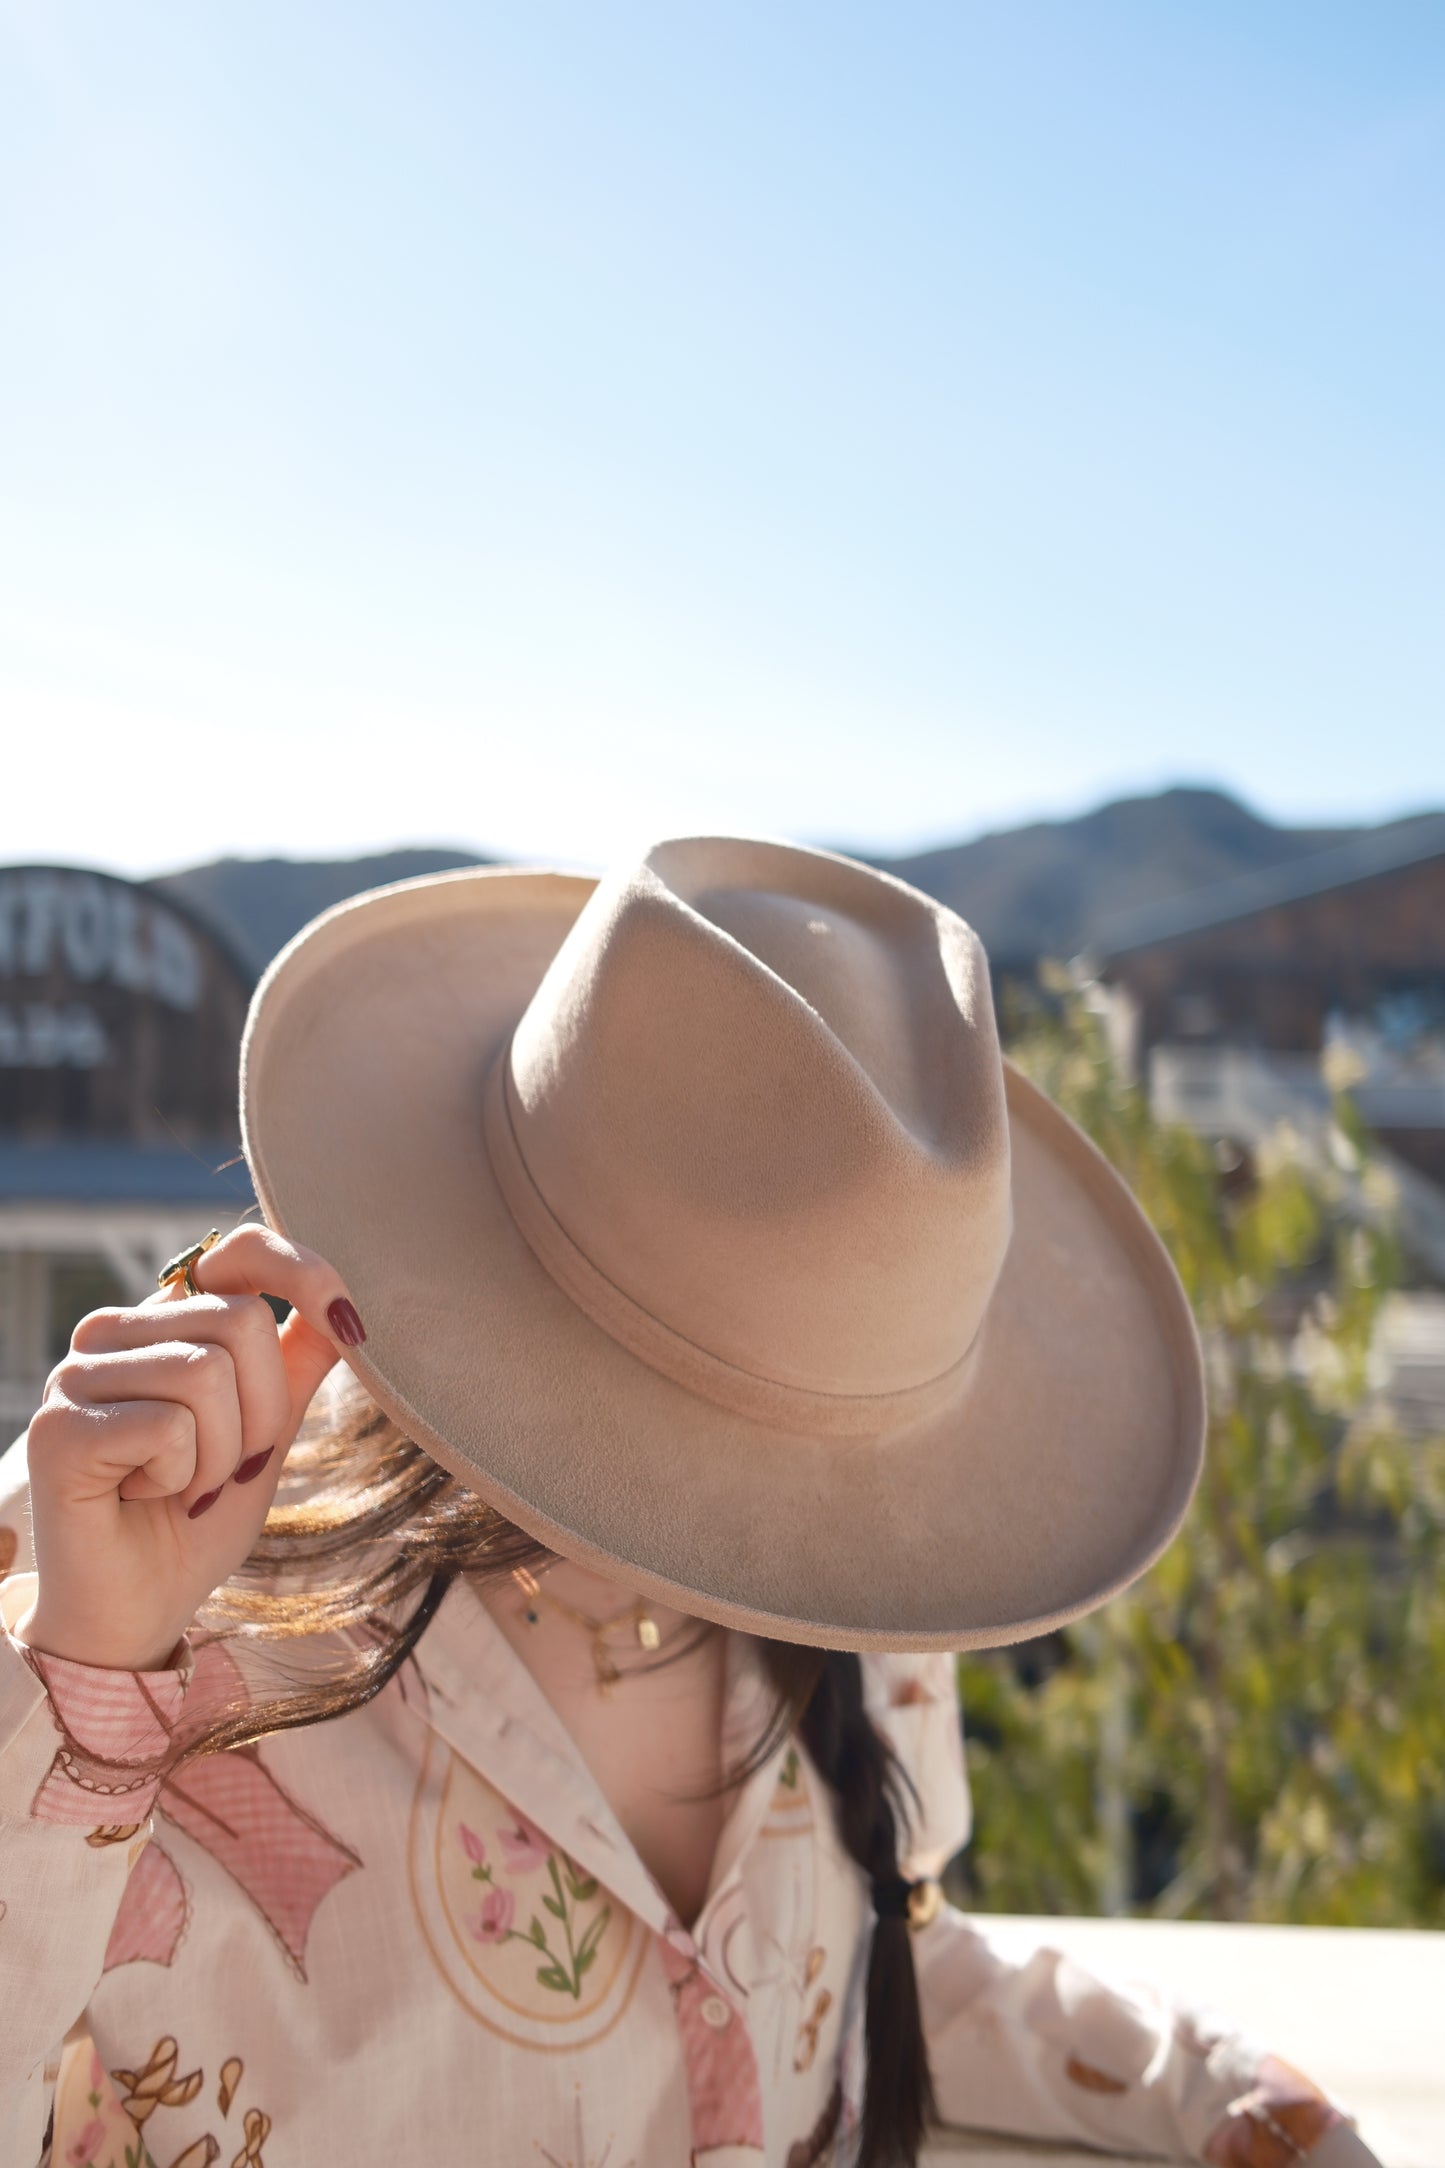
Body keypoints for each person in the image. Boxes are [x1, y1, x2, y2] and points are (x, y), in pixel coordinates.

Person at [0, 837, 1377, 2168]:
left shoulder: (861, 1597)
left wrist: (1222, 2093)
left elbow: (869, 1975)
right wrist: (89, 1684)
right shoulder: (133, 1575)